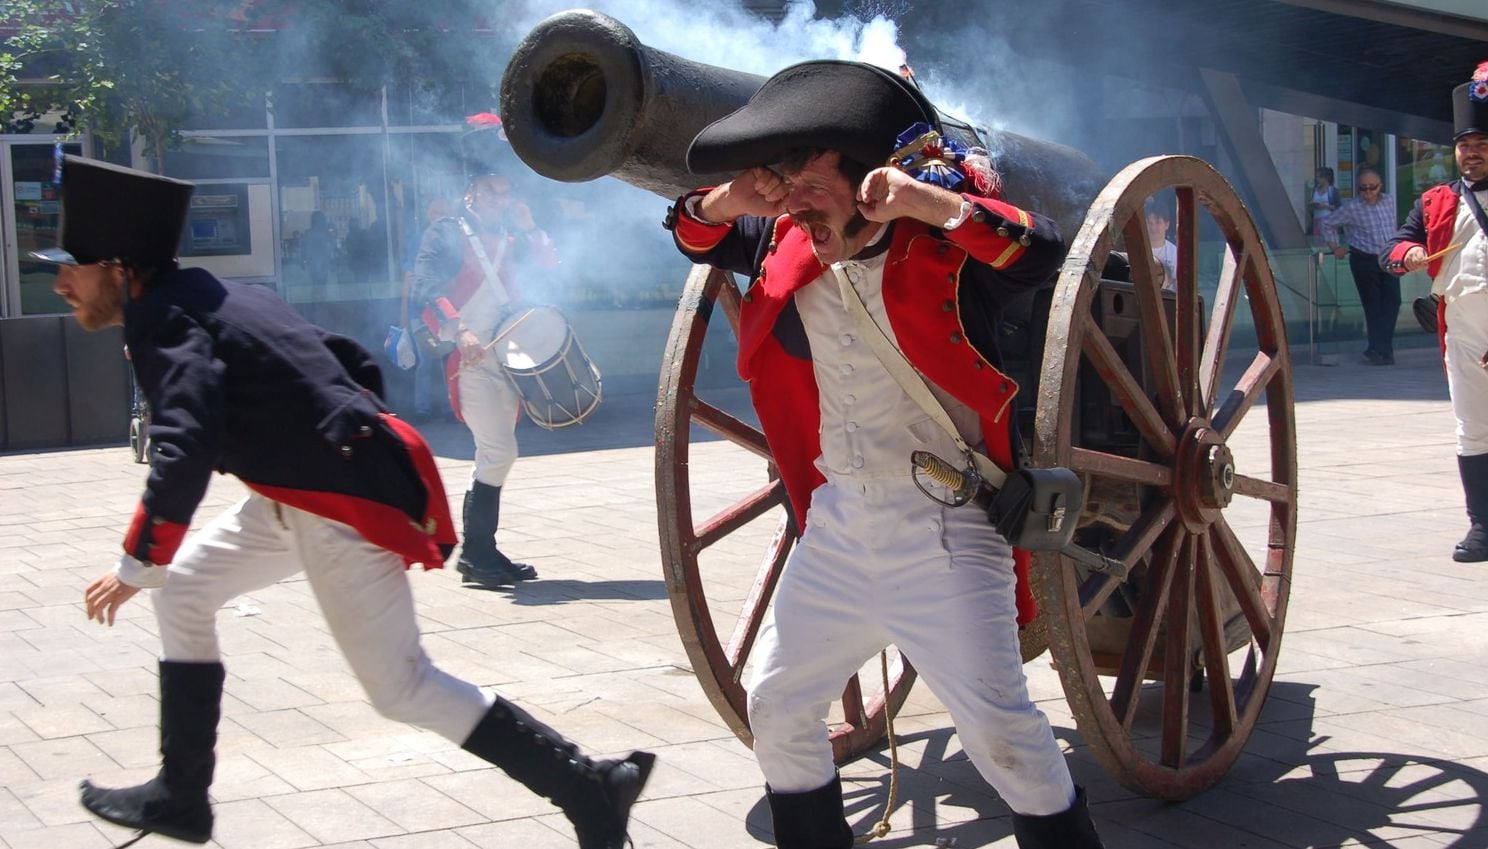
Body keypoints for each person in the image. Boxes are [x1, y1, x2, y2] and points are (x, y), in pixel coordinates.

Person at [38, 156, 652, 849]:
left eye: (75, 267)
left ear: (121, 269)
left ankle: (586, 783)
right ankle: (181, 794)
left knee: (401, 687)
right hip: (300, 490)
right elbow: (346, 358)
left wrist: (135, 561)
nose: (62, 281)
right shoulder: (213, 293)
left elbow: (185, 439)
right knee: (181, 592)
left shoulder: (162, 320)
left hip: (334, 502)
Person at [664, 61, 1104, 849]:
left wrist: (924, 202)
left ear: (868, 173)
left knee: (1005, 737)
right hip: (835, 528)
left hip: (943, 532)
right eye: (784, 179)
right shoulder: (780, 236)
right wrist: (736, 198)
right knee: (775, 705)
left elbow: (1041, 251)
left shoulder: (944, 249)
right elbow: (690, 232)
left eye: (807, 174)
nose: (794, 198)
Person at [413, 172, 558, 589]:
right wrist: (459, 330)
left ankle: (482, 553)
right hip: (471, 357)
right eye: (493, 190)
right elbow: (426, 286)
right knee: (498, 450)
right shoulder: (445, 233)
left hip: (506, 355)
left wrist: (530, 226)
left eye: (505, 190)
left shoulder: (513, 237)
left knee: (495, 452)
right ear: (471, 191)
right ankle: (476, 554)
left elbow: (549, 264)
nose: (501, 198)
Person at [1384, 61, 1488, 562]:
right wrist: (1411, 256)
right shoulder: (1435, 202)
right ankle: (1483, 525)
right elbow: (1396, 248)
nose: (1473, 152)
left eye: (1483, 144)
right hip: (1465, 333)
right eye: (1467, 144)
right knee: (1473, 428)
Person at [1320, 166, 1401, 364]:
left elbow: (1393, 227)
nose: (1368, 192)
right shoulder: (1351, 207)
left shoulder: (1389, 201)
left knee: (1392, 303)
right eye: (1363, 188)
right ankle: (1378, 350)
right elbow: (1327, 223)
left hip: (1388, 258)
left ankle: (1383, 348)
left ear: (1380, 186)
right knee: (1373, 305)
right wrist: (1335, 246)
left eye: (1372, 187)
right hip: (1364, 258)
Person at [401, 197, 456, 420]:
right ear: (427, 214)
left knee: (447, 360)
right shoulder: (419, 239)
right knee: (426, 362)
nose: (438, 216)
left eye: (442, 211)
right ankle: (422, 408)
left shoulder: (458, 238)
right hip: (422, 309)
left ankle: (450, 408)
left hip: (446, 308)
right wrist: (404, 312)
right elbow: (409, 276)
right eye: (434, 212)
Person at [1145, 197, 1178, 291]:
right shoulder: (1137, 251)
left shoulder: (1175, 253)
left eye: (1158, 222)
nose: (1153, 227)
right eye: (1150, 223)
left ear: (1166, 225)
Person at [299, 210, 337, 287]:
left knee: (317, 285)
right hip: (321, 264)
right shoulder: (326, 234)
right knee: (321, 285)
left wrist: (302, 261)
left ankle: (318, 297)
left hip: (315, 264)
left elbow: (303, 249)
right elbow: (332, 247)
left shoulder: (309, 234)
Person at [1309, 166, 1341, 242]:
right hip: (1317, 220)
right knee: (1318, 243)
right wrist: (1312, 205)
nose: (1317, 179)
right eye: (1317, 177)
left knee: (1329, 242)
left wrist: (1325, 206)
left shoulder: (1332, 191)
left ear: (1325, 178)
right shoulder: (1315, 190)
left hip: (1328, 220)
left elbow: (1338, 208)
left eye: (1319, 177)